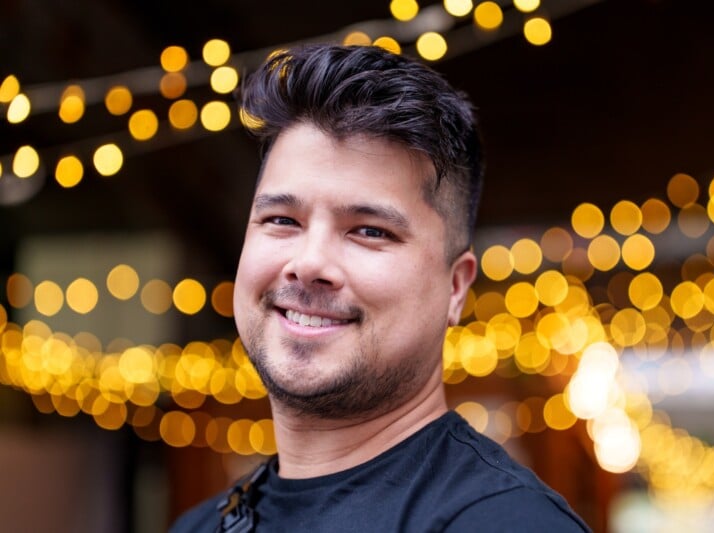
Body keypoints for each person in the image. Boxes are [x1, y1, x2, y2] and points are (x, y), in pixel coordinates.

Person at [171, 43, 591, 532]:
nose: (308, 264)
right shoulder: (201, 527)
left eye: (369, 230)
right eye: (282, 219)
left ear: (456, 288)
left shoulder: (503, 523)